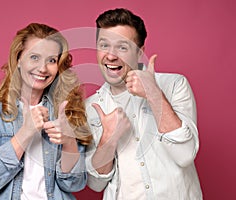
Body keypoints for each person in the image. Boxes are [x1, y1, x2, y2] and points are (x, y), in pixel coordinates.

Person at [85, 8, 203, 199]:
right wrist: (108, 138)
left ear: (140, 53)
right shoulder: (90, 107)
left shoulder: (174, 85)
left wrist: (154, 95)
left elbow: (185, 155)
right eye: (104, 45)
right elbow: (96, 183)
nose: (111, 55)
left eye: (122, 47)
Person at [0, 23, 92, 200]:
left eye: (51, 60)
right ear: (18, 59)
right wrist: (25, 132)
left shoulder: (67, 110)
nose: (43, 68)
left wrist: (69, 141)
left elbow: (74, 184)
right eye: (34, 57)